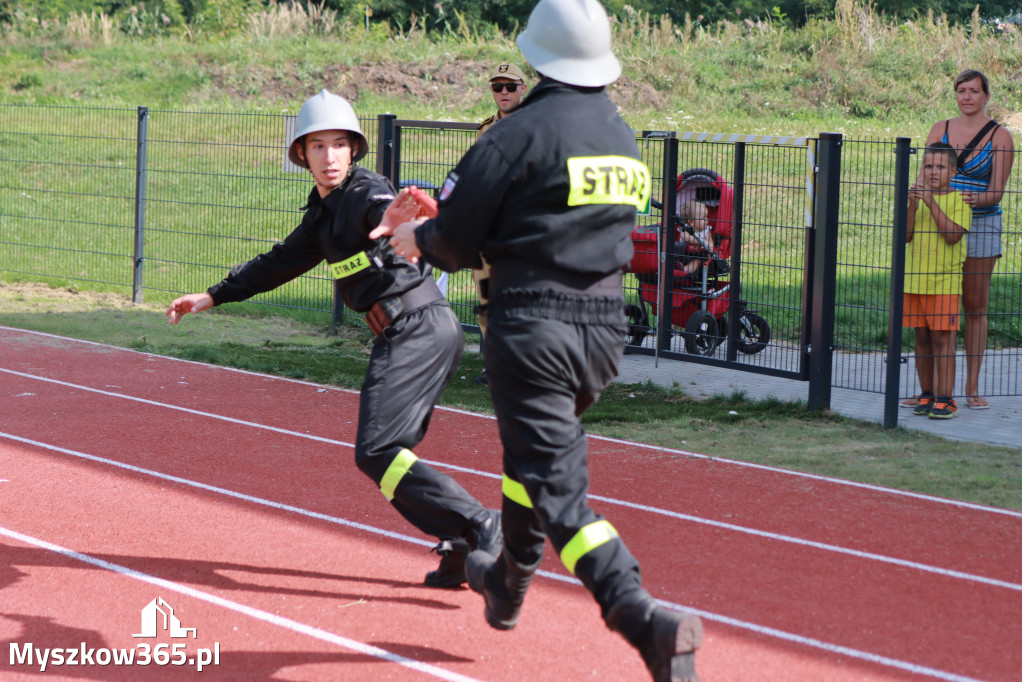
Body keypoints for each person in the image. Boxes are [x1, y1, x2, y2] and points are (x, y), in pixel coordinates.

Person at [371, 1, 703, 680]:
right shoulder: (619, 134)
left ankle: (642, 618)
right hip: (602, 336)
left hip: (532, 332)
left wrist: (419, 238)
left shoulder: (514, 134)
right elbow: (554, 216)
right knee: (530, 454)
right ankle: (510, 578)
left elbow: (460, 240)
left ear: (536, 57)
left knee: (559, 491)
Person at [164, 89, 500, 589]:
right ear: (301, 154)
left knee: (377, 452)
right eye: (317, 146)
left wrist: (394, 223)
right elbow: (277, 263)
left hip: (418, 328)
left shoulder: (366, 192)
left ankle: (478, 525)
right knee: (389, 453)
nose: (329, 157)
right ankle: (457, 539)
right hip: (414, 331)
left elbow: (384, 208)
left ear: (354, 150)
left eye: (339, 145)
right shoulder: (322, 216)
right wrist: (211, 296)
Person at [912, 69, 1015, 410]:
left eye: (974, 90)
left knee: (975, 307)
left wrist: (972, 200)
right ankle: (931, 390)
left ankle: (971, 388)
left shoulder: (1001, 137)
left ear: (986, 96)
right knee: (932, 310)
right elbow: (925, 176)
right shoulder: (938, 129)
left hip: (981, 223)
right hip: (938, 224)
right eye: (961, 90)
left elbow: (996, 193)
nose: (967, 96)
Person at [904, 142, 972, 419]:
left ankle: (946, 398)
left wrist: (931, 203)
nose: (933, 172)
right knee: (921, 338)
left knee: (943, 340)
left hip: (943, 284)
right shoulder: (918, 200)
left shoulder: (960, 201)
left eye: (940, 167)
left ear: (953, 171)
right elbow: (906, 236)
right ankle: (927, 394)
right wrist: (911, 206)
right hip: (914, 282)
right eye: (928, 166)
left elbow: (952, 236)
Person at [472, 62, 529, 386]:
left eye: (510, 86)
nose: (503, 93)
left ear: (523, 89)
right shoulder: (484, 129)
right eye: (497, 87)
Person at [675, 201, 712, 277]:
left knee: (697, 262)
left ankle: (684, 270)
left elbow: (710, 244)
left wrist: (706, 245)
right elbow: (687, 238)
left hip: (696, 256)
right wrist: (700, 242)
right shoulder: (684, 229)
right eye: (703, 218)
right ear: (691, 222)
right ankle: (676, 268)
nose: (706, 220)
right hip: (681, 255)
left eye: (706, 217)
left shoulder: (706, 231)